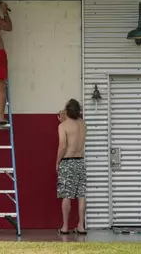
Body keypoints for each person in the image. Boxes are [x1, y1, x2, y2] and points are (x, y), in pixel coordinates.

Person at [56, 99, 87, 235]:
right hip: (81, 161)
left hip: (68, 161)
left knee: (66, 195)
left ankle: (65, 227)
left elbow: (63, 146)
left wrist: (57, 162)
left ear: (67, 111)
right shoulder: (83, 124)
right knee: (81, 194)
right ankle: (81, 226)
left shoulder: (63, 126)